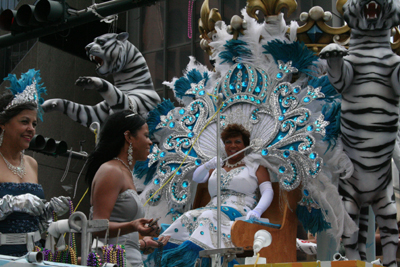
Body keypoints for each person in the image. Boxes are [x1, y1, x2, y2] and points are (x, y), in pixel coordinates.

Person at [158, 123, 274, 267]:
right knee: (188, 216)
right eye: (228, 142)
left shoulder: (255, 166)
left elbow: (268, 191)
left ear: (245, 144)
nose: (233, 146)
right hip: (211, 208)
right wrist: (207, 165)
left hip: (238, 211)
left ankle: (193, 261)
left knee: (209, 217)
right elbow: (197, 178)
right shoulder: (218, 166)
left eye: (238, 142)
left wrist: (258, 210)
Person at [86, 109, 169, 267]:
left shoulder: (124, 172)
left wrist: (145, 241)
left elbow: (123, 239)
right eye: (145, 135)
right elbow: (96, 227)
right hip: (111, 262)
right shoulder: (111, 171)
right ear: (129, 137)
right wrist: (133, 226)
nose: (150, 142)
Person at [0, 69, 70, 256]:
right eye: (24, 122)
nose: (31, 129)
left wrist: (49, 211)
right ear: (3, 124)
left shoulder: (31, 164)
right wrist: (14, 202)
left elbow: (34, 221)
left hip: (33, 256)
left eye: (34, 124)